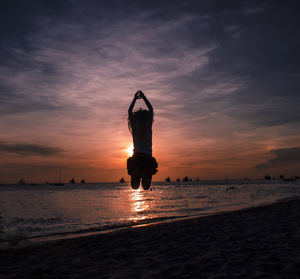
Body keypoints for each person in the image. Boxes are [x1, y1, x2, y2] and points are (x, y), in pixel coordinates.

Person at [127, 90, 158, 190]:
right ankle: (144, 173)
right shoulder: (147, 126)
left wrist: (135, 98)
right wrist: (143, 97)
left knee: (135, 187)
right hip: (147, 158)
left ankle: (135, 172)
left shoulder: (135, 128)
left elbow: (129, 112)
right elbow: (151, 109)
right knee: (146, 187)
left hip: (136, 157)